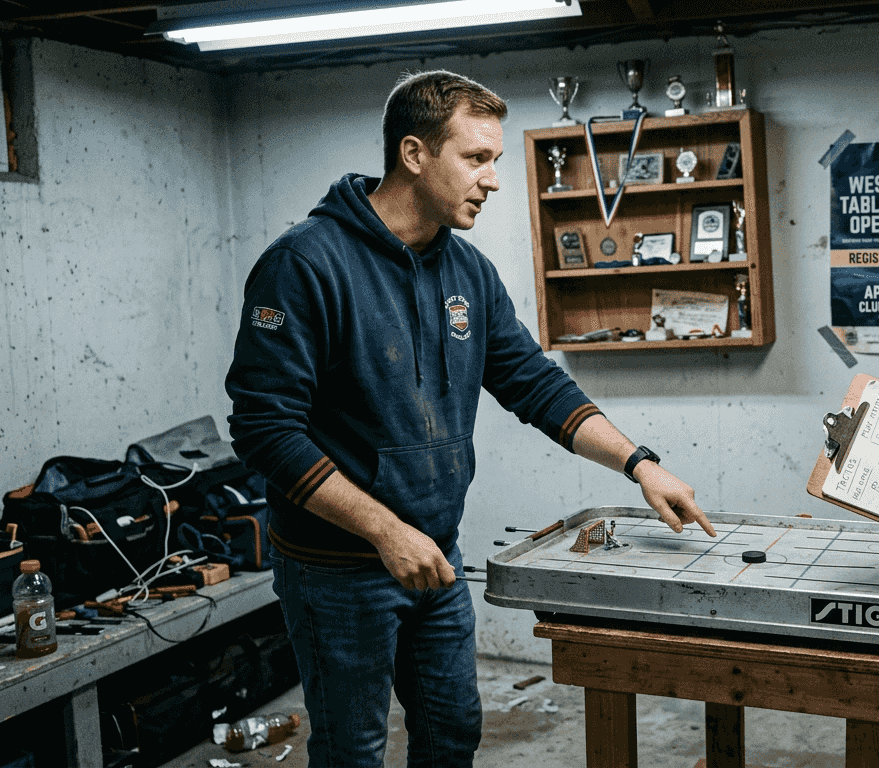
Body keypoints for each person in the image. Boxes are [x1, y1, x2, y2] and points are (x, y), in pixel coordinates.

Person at [224, 70, 716, 768]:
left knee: (451, 734)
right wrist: (386, 531)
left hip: (434, 557)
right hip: (337, 571)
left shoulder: (468, 272)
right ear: (415, 154)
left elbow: (533, 382)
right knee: (351, 750)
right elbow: (265, 431)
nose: (491, 179)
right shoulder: (305, 264)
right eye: (476, 158)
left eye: (495, 160)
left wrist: (640, 464)